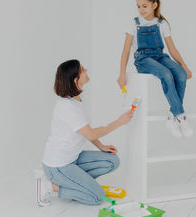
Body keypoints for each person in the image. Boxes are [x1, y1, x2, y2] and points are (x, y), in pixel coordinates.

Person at [37, 59, 134, 206]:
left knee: (112, 161)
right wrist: (119, 122)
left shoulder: (76, 100)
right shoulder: (68, 107)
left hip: (72, 159)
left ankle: (79, 186)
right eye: (82, 70)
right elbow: (91, 134)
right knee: (97, 197)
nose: (86, 71)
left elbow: (85, 131)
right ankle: (51, 186)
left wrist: (101, 146)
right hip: (57, 166)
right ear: (76, 79)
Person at [117, 0, 193, 138]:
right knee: (166, 74)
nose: (141, 9)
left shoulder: (162, 24)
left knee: (180, 75)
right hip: (143, 59)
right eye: (138, 6)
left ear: (154, 5)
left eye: (144, 6)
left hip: (160, 56)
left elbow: (172, 49)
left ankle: (172, 116)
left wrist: (184, 66)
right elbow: (125, 51)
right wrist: (121, 74)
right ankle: (180, 116)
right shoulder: (134, 23)